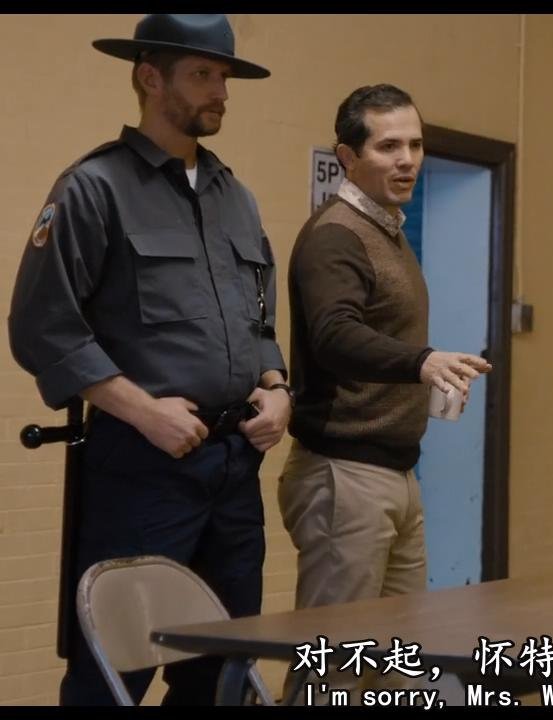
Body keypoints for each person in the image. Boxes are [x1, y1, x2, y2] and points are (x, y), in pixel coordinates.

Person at [7, 14, 289, 705]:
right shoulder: (94, 187)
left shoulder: (235, 197)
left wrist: (277, 387)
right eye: (203, 75)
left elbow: (259, 321)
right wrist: (143, 412)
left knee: (221, 672)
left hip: (233, 469)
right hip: (142, 469)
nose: (220, 91)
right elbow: (42, 327)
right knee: (114, 675)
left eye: (225, 76)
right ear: (149, 78)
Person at [279, 84, 490, 698]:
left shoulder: (388, 231)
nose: (407, 160)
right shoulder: (336, 234)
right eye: (389, 146)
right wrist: (421, 363)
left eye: (416, 145)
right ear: (347, 157)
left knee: (399, 663)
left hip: (396, 470)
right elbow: (334, 335)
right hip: (344, 473)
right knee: (333, 666)